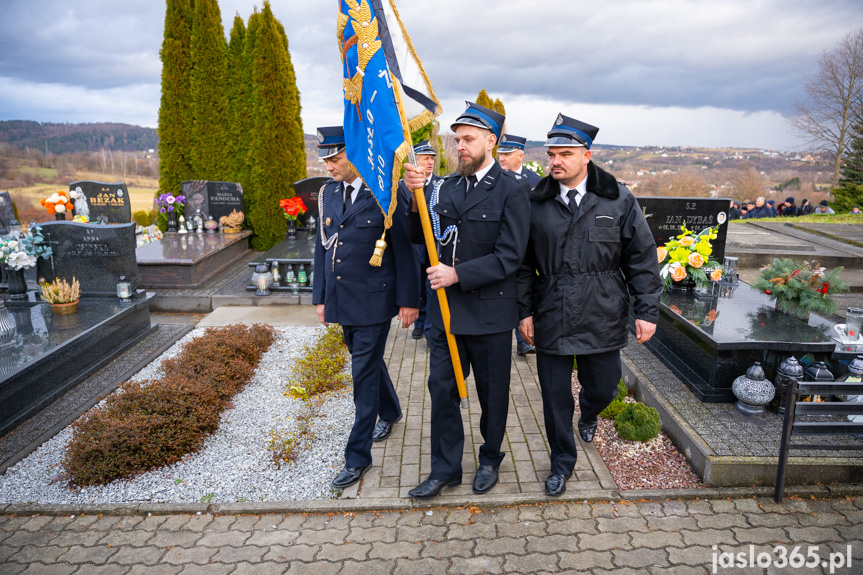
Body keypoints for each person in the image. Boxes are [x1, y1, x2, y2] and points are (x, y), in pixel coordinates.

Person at [517, 113, 661, 496]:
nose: (555, 162)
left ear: (587, 155)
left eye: (565, 153)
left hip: (602, 312)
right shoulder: (536, 203)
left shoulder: (618, 199)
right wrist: (525, 310)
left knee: (603, 385)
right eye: (551, 154)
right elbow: (522, 264)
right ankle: (561, 463)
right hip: (551, 313)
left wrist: (646, 312)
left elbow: (642, 259)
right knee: (553, 398)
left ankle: (591, 411)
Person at [402, 102, 531, 499]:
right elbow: (420, 239)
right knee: (441, 391)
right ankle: (445, 468)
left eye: (468, 139)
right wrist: (413, 199)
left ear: (490, 141)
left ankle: (490, 458)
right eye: (457, 139)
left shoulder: (513, 190)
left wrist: (458, 273)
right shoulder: (444, 187)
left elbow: (511, 256)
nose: (460, 146)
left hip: (491, 315)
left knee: (492, 396)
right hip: (445, 315)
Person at [311, 126, 420, 489]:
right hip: (342, 301)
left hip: (374, 301)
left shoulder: (384, 193)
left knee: (362, 377)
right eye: (325, 159)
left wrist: (409, 301)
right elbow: (322, 249)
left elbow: (405, 250)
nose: (329, 166)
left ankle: (357, 457)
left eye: (335, 158)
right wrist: (321, 297)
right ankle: (391, 409)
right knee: (368, 364)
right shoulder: (328, 194)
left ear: (356, 154)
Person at [498, 133, 540, 355]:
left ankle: (523, 339)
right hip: (501, 247)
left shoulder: (536, 183)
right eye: (500, 154)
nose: (502, 158)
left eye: (507, 153)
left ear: (521, 155)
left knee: (523, 290)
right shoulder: (493, 180)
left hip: (527, 248)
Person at [398, 140, 442, 343]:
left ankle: (430, 327)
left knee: (431, 286)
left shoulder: (442, 184)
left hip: (433, 243)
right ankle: (419, 322)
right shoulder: (400, 187)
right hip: (412, 244)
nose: (430, 162)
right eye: (425, 158)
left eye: (432, 158)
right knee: (416, 284)